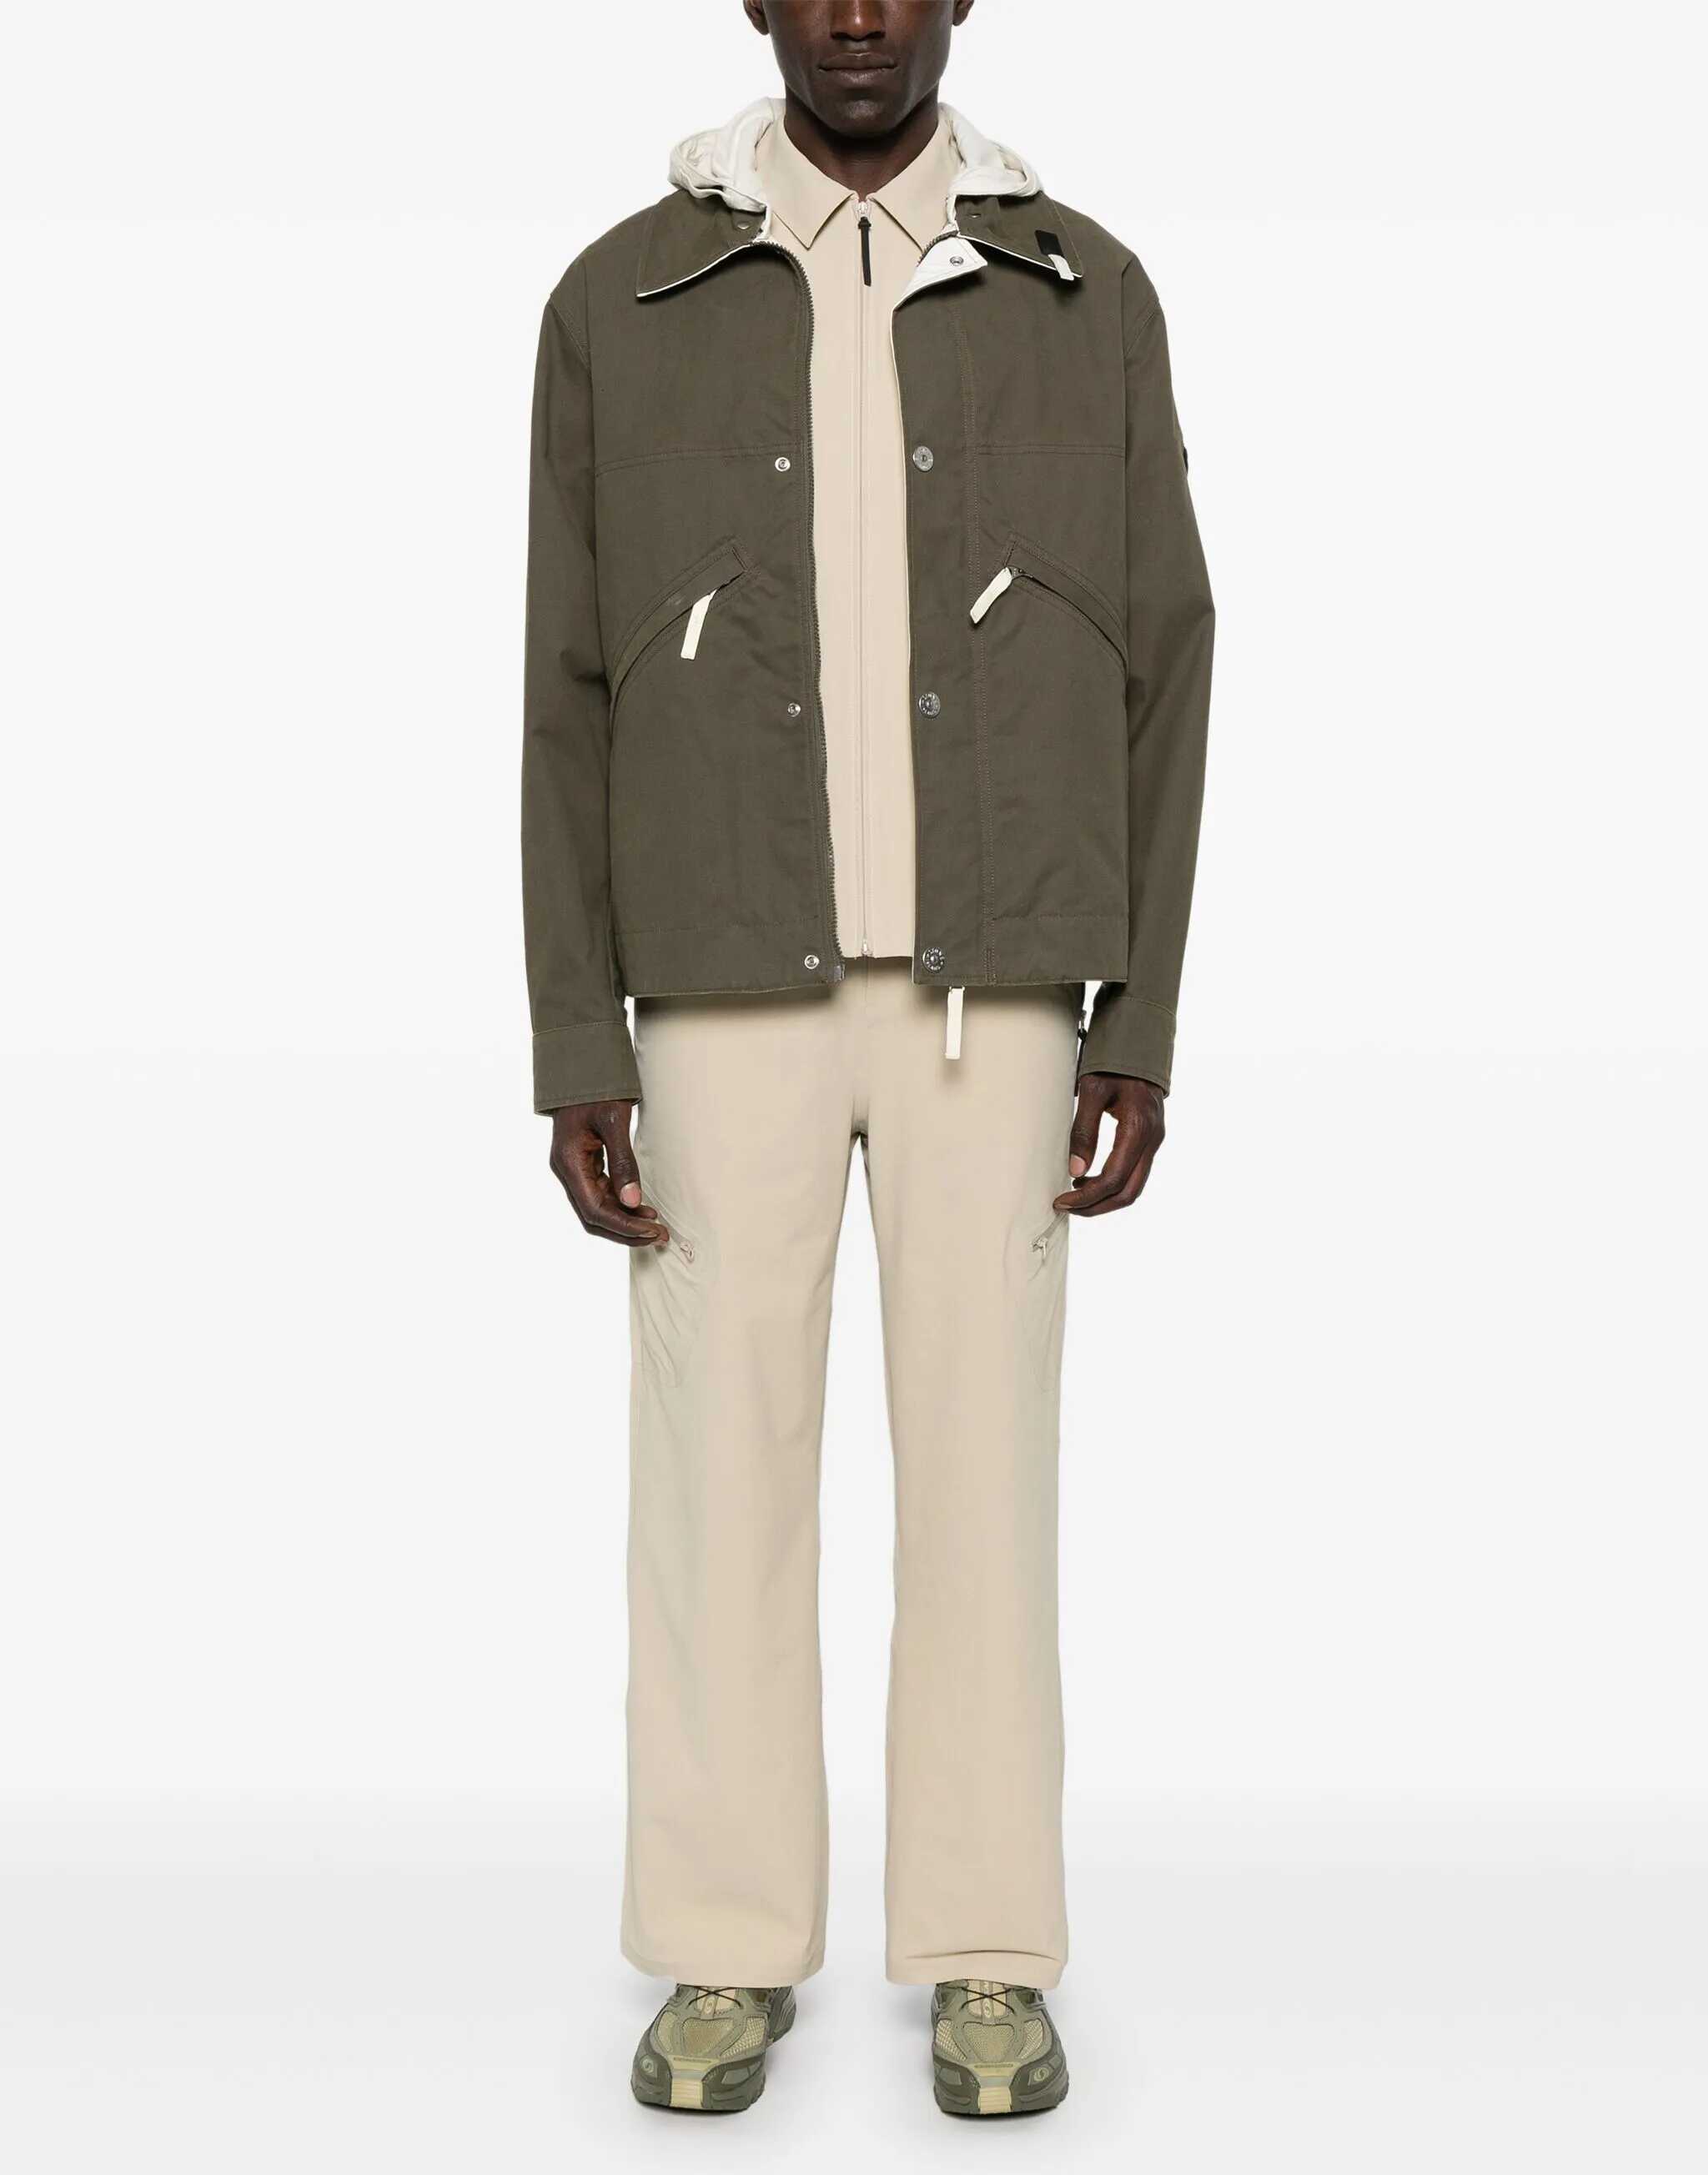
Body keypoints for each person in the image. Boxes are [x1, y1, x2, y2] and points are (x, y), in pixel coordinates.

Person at [522, 0, 1213, 2118]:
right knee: (713, 1480)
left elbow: (1168, 654)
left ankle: (989, 1950)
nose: (853, 14)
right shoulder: (621, 297)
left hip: (993, 993)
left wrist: (1136, 1010)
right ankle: (725, 1941)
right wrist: (574, 1030)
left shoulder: (1082, 289)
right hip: (716, 974)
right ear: (754, 0)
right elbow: (562, 681)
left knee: (985, 1478)